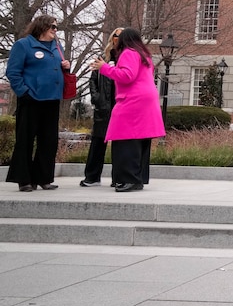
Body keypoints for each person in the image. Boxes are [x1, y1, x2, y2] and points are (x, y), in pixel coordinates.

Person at [89, 28, 165, 192]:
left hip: (133, 100)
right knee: (140, 140)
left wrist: (104, 68)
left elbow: (127, 75)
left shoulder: (128, 53)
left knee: (125, 139)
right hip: (147, 99)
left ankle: (128, 179)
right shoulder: (144, 55)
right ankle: (137, 178)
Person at [5, 15, 71, 192]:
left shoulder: (57, 46)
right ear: (42, 26)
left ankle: (43, 178)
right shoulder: (23, 45)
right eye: (53, 27)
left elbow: (56, 68)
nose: (55, 30)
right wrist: (23, 92)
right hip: (31, 99)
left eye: (56, 27)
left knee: (48, 141)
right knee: (25, 140)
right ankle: (24, 180)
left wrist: (66, 67)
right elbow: (13, 72)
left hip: (52, 100)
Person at [80, 28, 122, 187]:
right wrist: (96, 98)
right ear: (113, 38)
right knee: (97, 142)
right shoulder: (102, 58)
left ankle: (118, 178)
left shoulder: (125, 58)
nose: (119, 38)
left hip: (120, 105)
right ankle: (92, 177)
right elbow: (93, 80)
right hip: (103, 106)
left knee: (119, 144)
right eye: (117, 35)